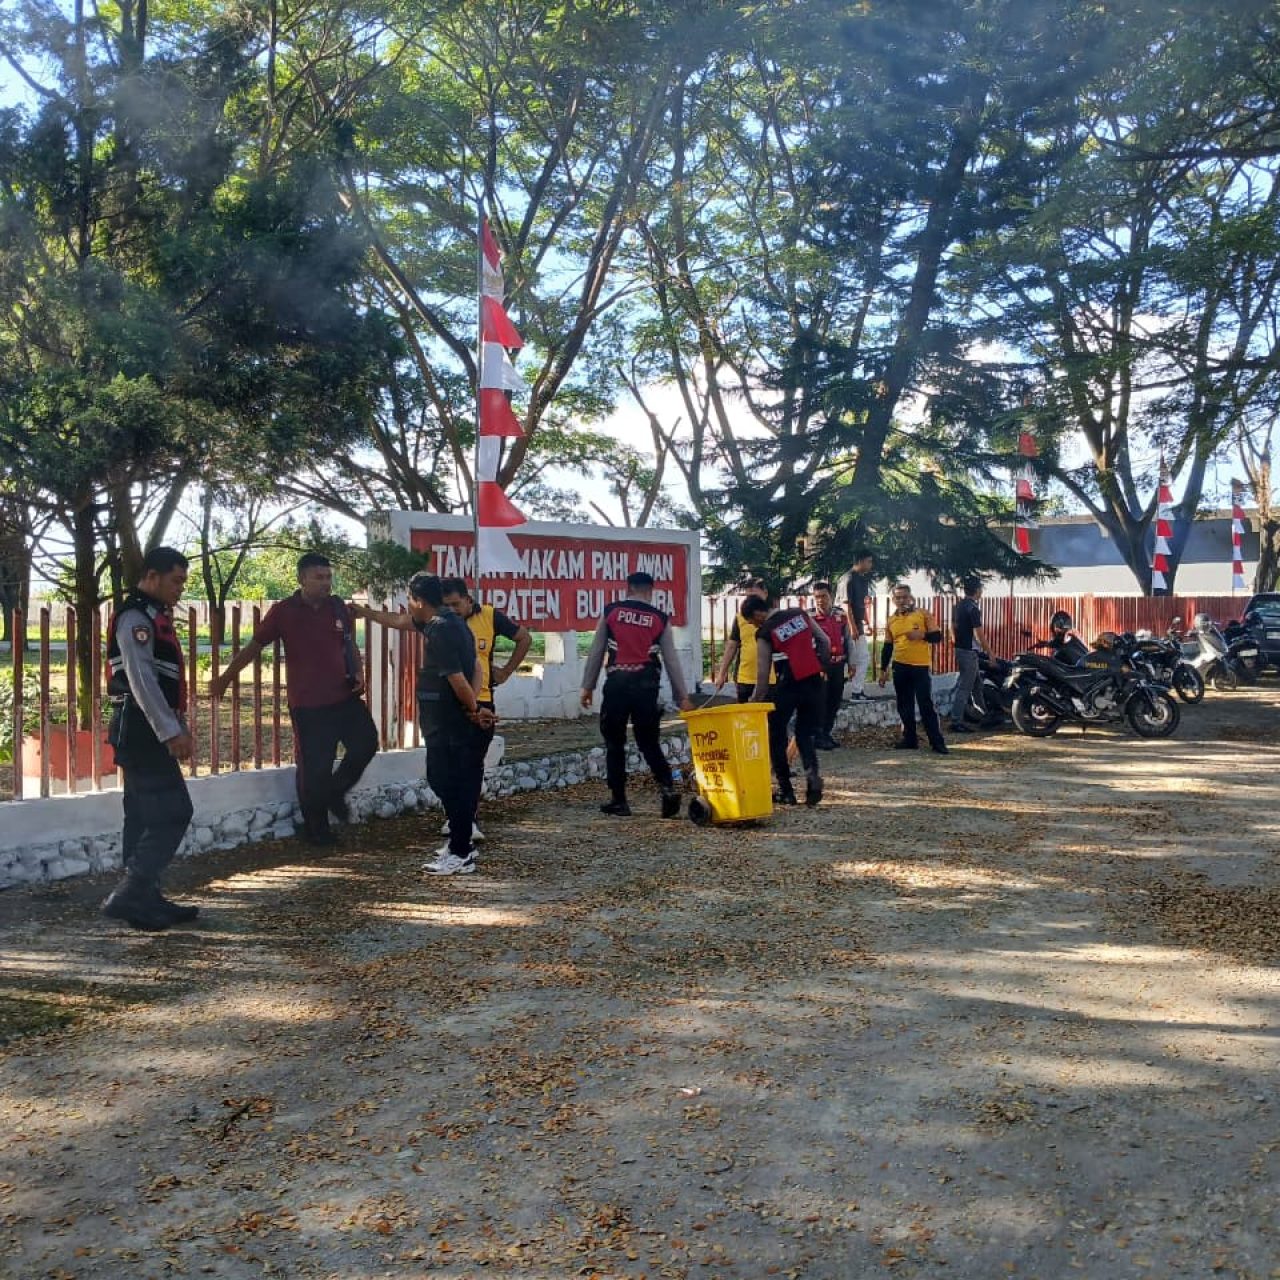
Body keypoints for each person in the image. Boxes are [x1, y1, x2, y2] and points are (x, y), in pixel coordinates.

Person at [211, 553, 377, 847]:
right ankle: (316, 829)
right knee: (316, 767)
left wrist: (360, 672)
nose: (326, 583)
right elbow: (254, 646)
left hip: (344, 695)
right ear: (302, 579)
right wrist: (226, 677)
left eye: (329, 577)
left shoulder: (337, 606)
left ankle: (335, 792)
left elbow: (348, 644)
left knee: (366, 743)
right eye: (319, 577)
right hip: (309, 703)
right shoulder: (284, 612)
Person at [102, 547, 199, 931]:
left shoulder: (155, 616)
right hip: (141, 729)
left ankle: (143, 900)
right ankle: (130, 893)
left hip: (143, 727)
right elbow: (141, 681)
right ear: (153, 576)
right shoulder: (134, 618)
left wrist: (178, 721)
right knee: (174, 812)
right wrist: (170, 731)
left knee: (142, 816)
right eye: (176, 581)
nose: (180, 589)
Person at [580, 571, 693, 817]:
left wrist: (587, 687)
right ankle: (667, 788)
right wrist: (682, 696)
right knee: (649, 741)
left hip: (617, 685)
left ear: (629, 588)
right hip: (646, 687)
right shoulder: (660, 618)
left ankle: (619, 800)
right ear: (650, 591)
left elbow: (596, 651)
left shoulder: (611, 611)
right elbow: (671, 660)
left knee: (614, 743)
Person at [439, 577, 532, 846]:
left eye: (456, 604)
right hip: (448, 702)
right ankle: (454, 815)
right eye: (447, 606)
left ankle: (469, 819)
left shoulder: (490, 616)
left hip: (482, 701)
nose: (452, 611)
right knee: (448, 763)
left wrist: (505, 671)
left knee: (472, 762)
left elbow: (524, 638)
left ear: (468, 600)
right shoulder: (440, 623)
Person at [743, 593, 831, 806]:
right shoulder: (799, 614)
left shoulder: (765, 632)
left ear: (758, 614)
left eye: (752, 622)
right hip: (813, 682)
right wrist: (821, 666)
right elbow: (825, 641)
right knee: (803, 733)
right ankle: (812, 777)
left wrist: (754, 701)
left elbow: (763, 676)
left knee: (776, 734)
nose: (754, 626)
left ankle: (786, 791)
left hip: (788, 684)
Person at [878, 583, 947, 754]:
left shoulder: (922, 614)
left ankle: (937, 743)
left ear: (910, 597)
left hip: (920, 666)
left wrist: (922, 635)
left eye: (904, 597)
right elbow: (887, 646)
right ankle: (910, 739)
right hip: (900, 665)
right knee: (904, 704)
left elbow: (938, 636)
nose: (901, 600)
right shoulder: (891, 620)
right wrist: (883, 669)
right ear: (893, 600)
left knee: (925, 704)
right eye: (898, 597)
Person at [712, 578, 776, 702]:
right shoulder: (740, 617)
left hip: (771, 678)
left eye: (754, 596)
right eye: (748, 597)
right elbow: (732, 645)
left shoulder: (775, 617)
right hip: (745, 677)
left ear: (765, 593)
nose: (751, 601)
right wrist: (722, 673)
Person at [810, 581, 853, 749]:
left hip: (838, 665)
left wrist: (852, 662)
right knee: (820, 702)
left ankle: (827, 733)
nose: (820, 600)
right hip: (819, 667)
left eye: (824, 596)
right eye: (817, 597)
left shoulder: (841, 615)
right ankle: (818, 736)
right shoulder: (809, 617)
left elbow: (848, 639)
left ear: (831, 596)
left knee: (834, 701)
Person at [949, 576, 987, 733]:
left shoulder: (958, 606)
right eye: (981, 589)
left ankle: (983, 714)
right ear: (977, 590)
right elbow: (979, 635)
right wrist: (990, 653)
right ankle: (956, 721)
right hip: (969, 652)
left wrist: (956, 641)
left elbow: (951, 627)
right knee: (965, 687)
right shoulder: (973, 608)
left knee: (977, 685)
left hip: (961, 649)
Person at [845, 549, 875, 698]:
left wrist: (867, 622)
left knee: (862, 656)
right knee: (859, 657)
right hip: (848, 625)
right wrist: (852, 627)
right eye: (869, 561)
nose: (871, 564)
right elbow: (846, 605)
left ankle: (857, 690)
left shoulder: (862, 579)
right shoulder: (848, 579)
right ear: (861, 561)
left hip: (858, 624)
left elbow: (861, 604)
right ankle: (856, 692)